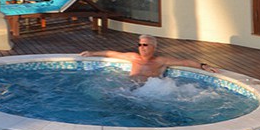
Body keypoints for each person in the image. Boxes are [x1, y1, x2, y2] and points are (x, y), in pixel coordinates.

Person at [81, 36, 209, 80]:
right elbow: (111, 53)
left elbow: (185, 62)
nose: (142, 47)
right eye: (140, 45)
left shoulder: (160, 61)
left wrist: (203, 66)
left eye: (145, 45)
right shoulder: (133, 57)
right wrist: (92, 53)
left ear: (153, 47)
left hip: (148, 91)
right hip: (129, 89)